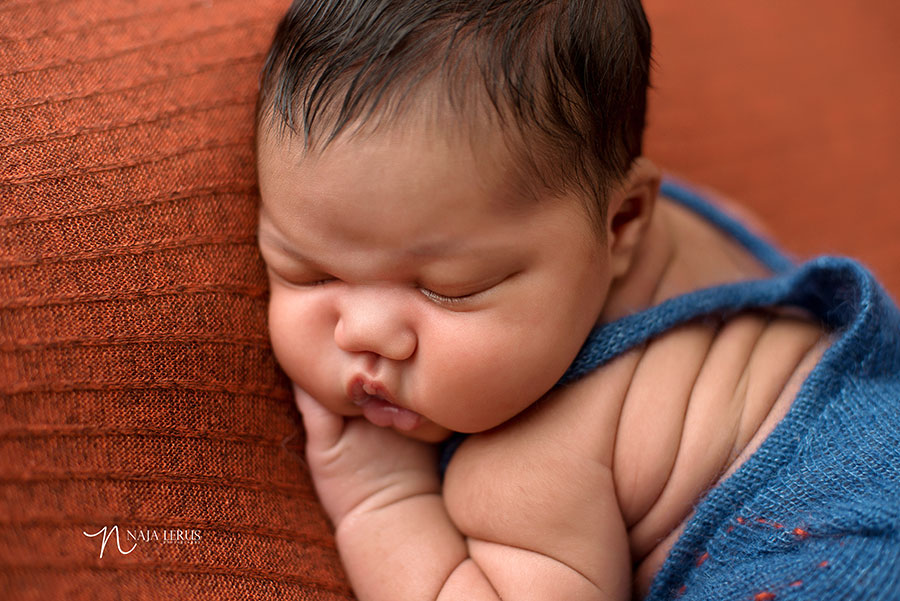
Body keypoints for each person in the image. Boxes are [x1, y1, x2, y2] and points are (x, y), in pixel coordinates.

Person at [254, 1, 900, 600]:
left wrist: (381, 498)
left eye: (449, 288)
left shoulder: (527, 465)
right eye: (307, 272)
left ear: (622, 222)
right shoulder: (685, 222)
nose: (363, 332)